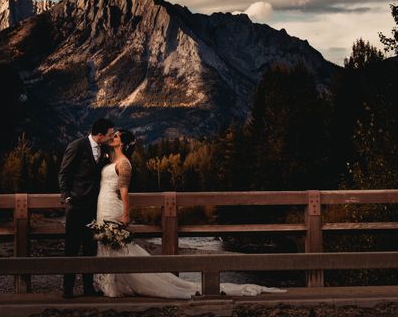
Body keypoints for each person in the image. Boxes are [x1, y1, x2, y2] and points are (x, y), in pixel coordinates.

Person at [93, 129, 287, 298]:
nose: (113, 137)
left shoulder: (125, 163)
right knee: (108, 244)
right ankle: (112, 284)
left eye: (116, 136)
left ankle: (123, 284)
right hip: (103, 204)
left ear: (123, 143)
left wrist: (126, 214)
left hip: (113, 206)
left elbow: (125, 191)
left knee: (117, 246)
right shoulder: (112, 159)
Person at [58, 117, 115, 299]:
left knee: (90, 247)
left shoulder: (105, 149)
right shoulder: (77, 145)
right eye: (109, 134)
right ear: (100, 135)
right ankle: (67, 290)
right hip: (75, 206)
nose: (111, 137)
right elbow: (64, 172)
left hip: (94, 207)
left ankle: (88, 289)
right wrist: (66, 197)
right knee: (71, 249)